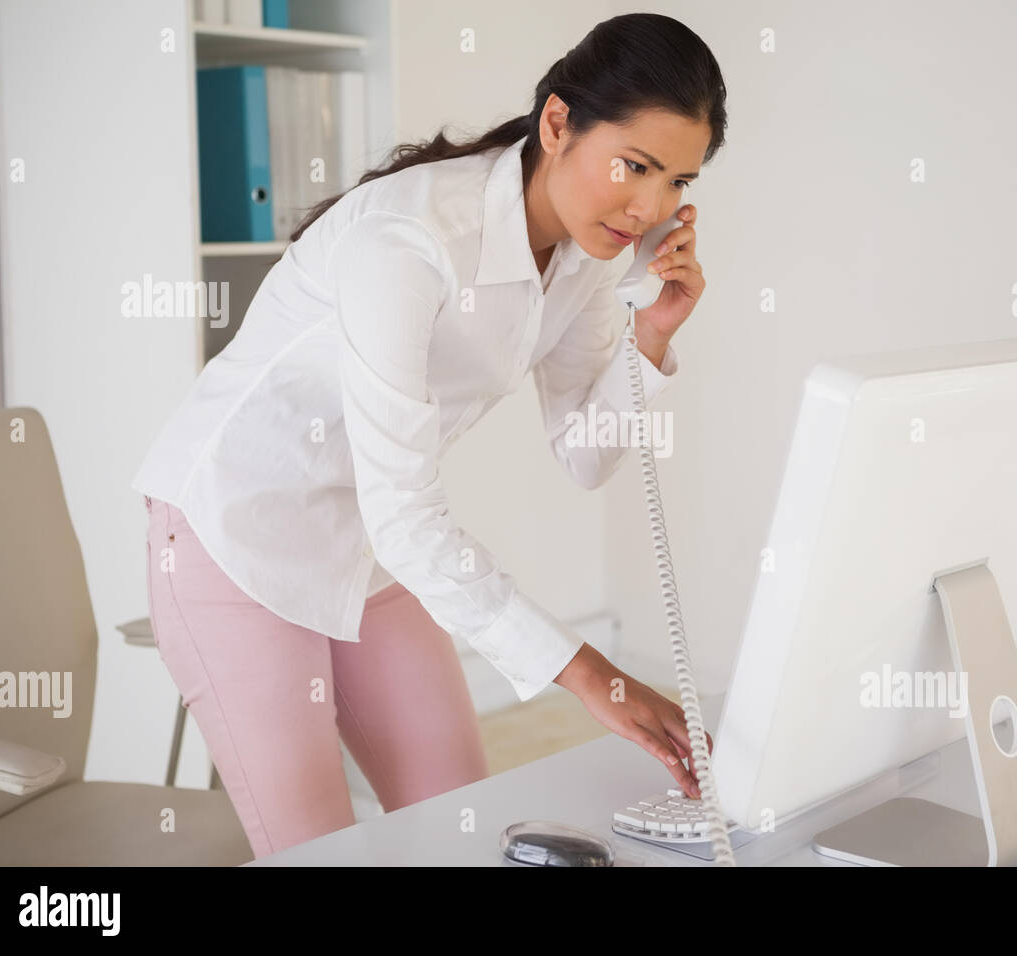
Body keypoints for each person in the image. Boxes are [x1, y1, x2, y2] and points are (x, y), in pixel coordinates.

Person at [132, 12, 728, 859]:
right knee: (319, 853)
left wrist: (652, 334)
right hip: (235, 536)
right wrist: (597, 677)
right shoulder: (406, 241)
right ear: (558, 123)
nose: (649, 208)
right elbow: (409, 515)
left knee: (465, 830)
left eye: (676, 182)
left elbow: (586, 456)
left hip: (369, 542)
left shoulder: (591, 259)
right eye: (633, 167)